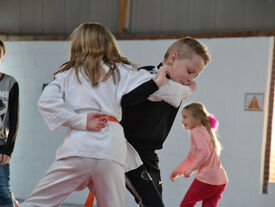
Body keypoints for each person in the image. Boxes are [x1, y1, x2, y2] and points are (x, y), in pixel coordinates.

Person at [20, 22, 182, 207]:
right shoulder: (122, 71)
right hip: (110, 150)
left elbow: (46, 103)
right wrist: (175, 85)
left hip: (78, 148)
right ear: (109, 44)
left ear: (77, 45)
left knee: (37, 204)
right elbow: (161, 91)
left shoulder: (68, 74)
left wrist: (81, 120)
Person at [121, 37, 211, 206]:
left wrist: (186, 89)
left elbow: (175, 93)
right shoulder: (145, 76)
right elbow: (128, 100)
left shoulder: (178, 88)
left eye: (196, 76)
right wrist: (184, 90)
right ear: (172, 58)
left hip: (149, 155)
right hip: (128, 151)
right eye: (190, 71)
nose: (191, 80)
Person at [170, 102, 228, 207]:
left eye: (185, 117)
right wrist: (179, 170)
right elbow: (191, 158)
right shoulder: (204, 131)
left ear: (198, 118)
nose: (182, 120)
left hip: (208, 178)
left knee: (186, 205)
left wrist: (190, 170)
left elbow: (205, 152)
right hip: (221, 180)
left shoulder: (196, 131)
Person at [0, 40, 20, 207]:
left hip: (0, 147)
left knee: (3, 193)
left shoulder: (10, 83)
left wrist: (8, 150)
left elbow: (14, 120)